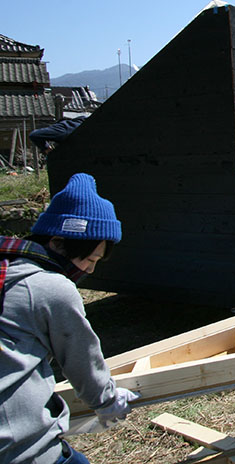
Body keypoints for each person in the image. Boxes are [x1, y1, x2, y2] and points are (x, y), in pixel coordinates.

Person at [0, 173, 138, 464]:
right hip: (17, 446)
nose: (89, 270)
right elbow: (81, 358)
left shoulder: (8, 269)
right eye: (89, 259)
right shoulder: (50, 288)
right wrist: (107, 400)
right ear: (59, 243)